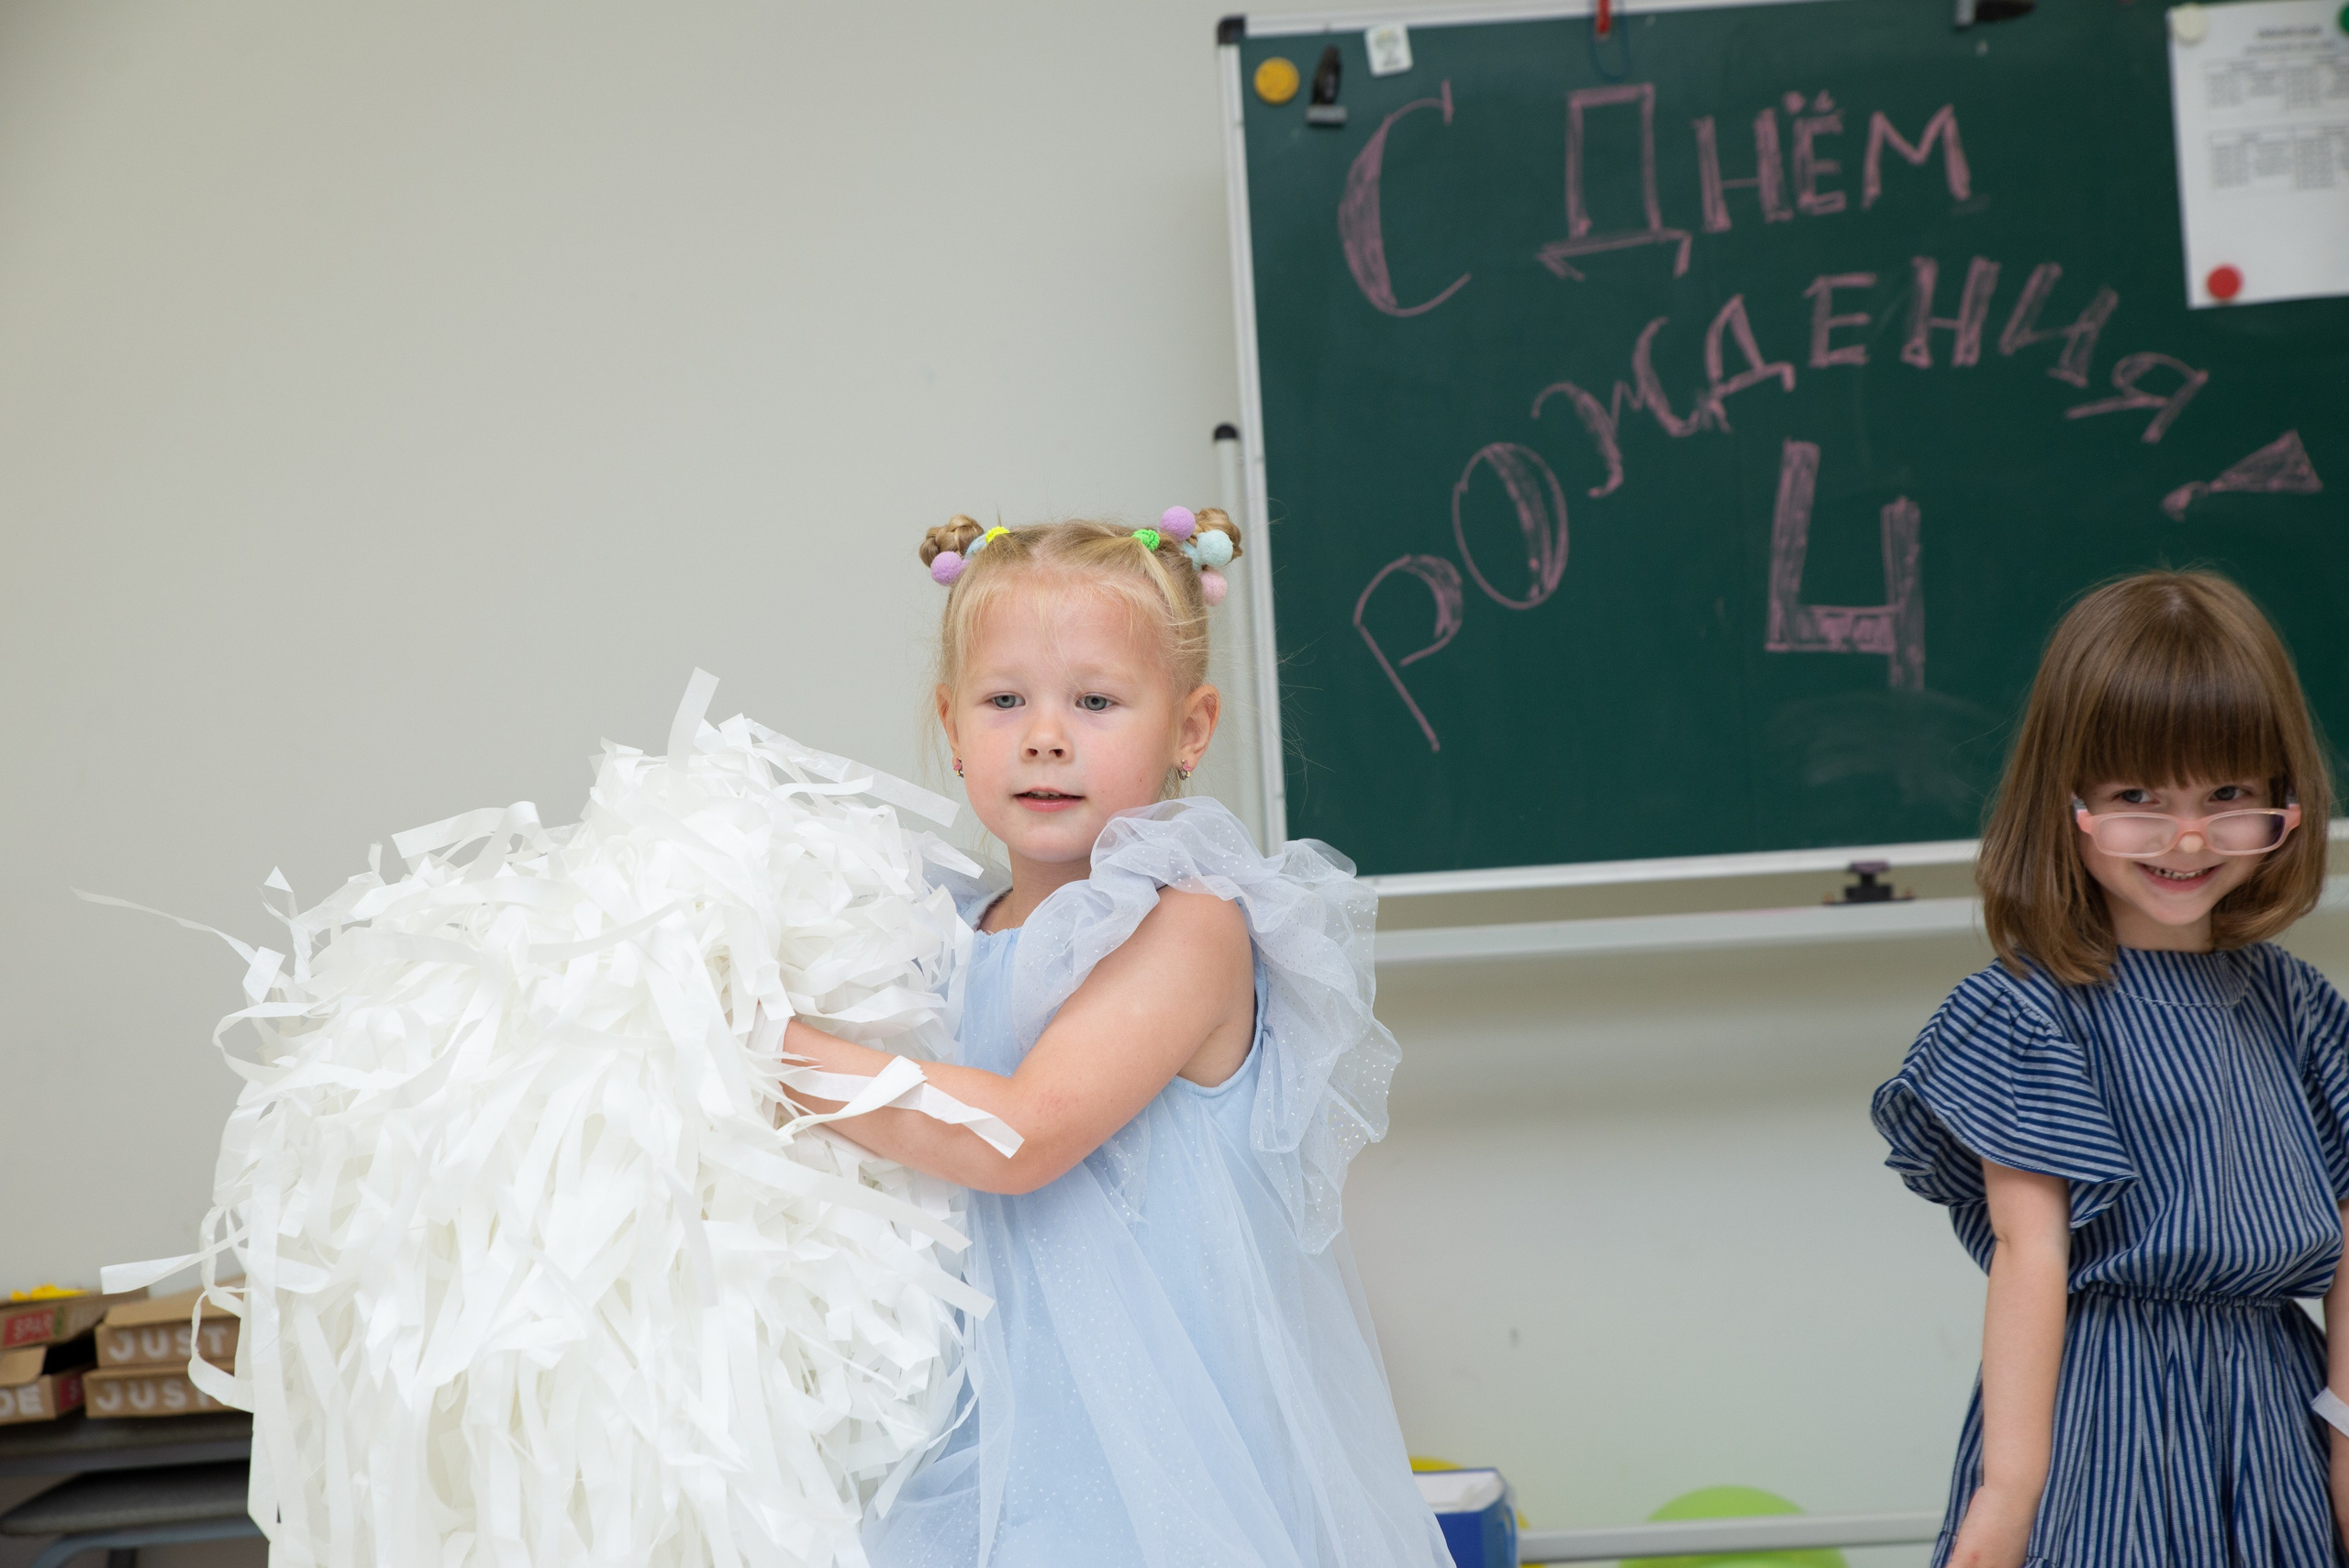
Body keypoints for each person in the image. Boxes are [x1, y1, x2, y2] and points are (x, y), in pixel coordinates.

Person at [783, 508, 1452, 1567]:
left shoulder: (1189, 922)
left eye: (1095, 701)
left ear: (1190, 728)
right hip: (979, 1454)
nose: (1045, 734)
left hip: (1155, 1484)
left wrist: (761, 1049)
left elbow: (1024, 1133)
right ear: (952, 725)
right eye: (1006, 701)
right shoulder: (937, 937)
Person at [1873, 570, 2349, 1567]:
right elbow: (2030, 1253)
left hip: (2273, 1422)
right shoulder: (2028, 1013)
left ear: (2284, 801)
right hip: (2100, 1427)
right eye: (2138, 796)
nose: (2186, 837)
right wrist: (2006, 1501)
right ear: (2069, 801)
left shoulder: (2300, 1008)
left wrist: (2346, 1452)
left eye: (2229, 796)